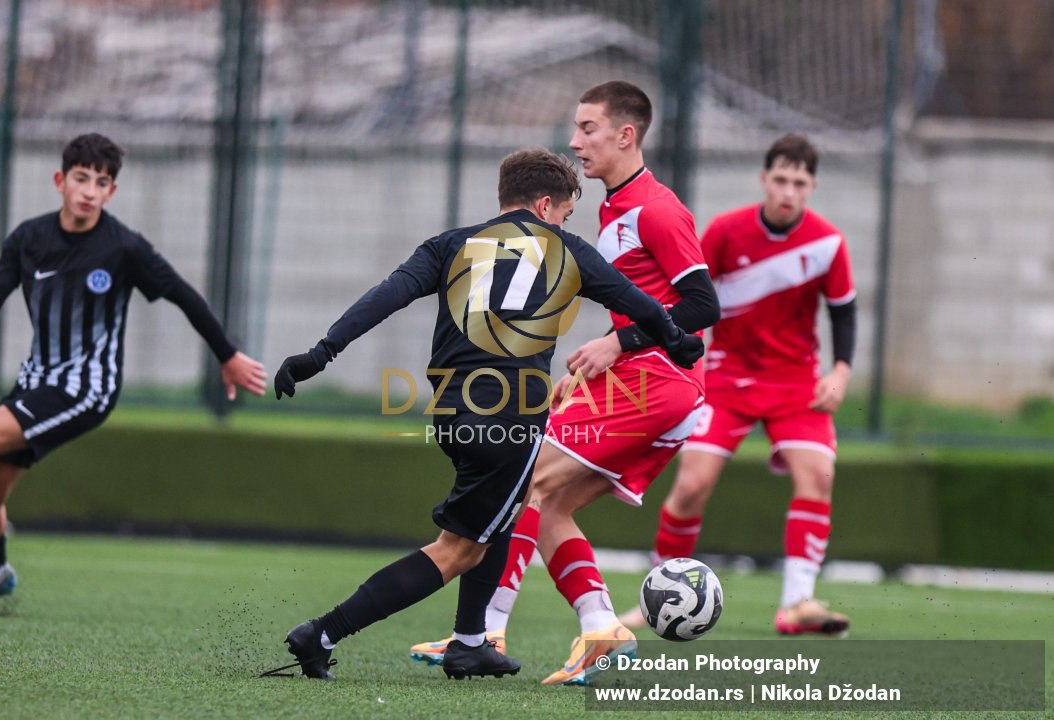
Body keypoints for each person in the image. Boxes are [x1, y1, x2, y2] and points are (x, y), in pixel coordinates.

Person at [269, 147, 705, 681]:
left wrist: (319, 354)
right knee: (457, 551)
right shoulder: (568, 250)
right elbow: (642, 304)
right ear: (546, 205)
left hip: (451, 410)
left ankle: (471, 643)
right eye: (566, 213)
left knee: (506, 512)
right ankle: (323, 632)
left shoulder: (450, 245)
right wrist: (679, 342)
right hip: (511, 418)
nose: (565, 221)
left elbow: (383, 298)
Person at [410, 80, 720, 685]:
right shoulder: (612, 208)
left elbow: (703, 306)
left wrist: (618, 342)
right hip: (641, 380)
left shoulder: (657, 209)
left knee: (525, 477)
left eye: (587, 129)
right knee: (549, 502)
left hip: (659, 378)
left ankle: (485, 629)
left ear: (625, 135)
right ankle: (600, 627)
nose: (575, 141)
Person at [0, 133, 268, 617]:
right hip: (35, 384)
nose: (90, 190)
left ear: (112, 192)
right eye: (81, 178)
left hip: (86, 390)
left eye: (102, 182)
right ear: (60, 181)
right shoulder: (27, 240)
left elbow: (182, 294)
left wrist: (227, 354)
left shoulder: (124, 247)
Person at [616, 132, 856, 636]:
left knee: (819, 477)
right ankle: (656, 597)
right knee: (692, 486)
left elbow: (843, 313)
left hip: (796, 384)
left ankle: (798, 604)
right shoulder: (725, 231)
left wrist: (840, 372)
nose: (789, 191)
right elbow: (691, 293)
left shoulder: (829, 243)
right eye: (782, 179)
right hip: (727, 377)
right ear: (764, 179)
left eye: (800, 182)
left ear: (811, 186)